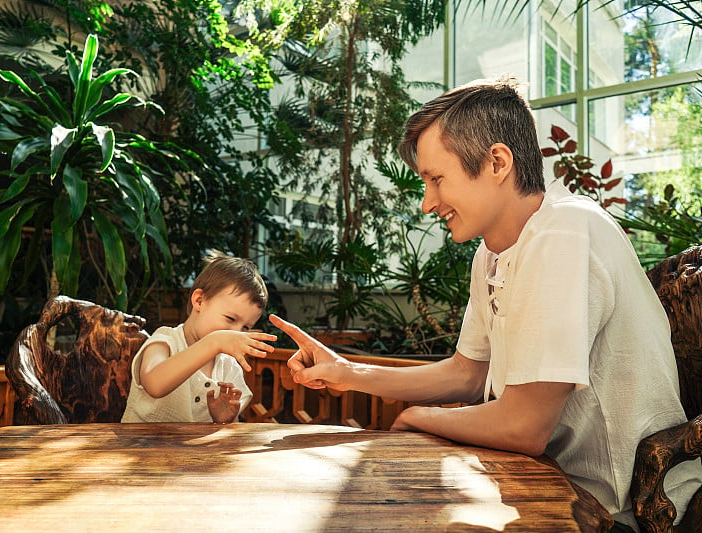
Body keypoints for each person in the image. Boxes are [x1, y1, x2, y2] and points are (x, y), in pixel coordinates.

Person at [268, 77, 701, 530]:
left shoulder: (566, 230)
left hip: (622, 509)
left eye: (436, 179)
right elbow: (467, 373)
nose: (426, 203)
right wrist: (347, 372)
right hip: (547, 485)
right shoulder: (491, 253)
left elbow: (524, 426)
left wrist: (421, 417)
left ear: (497, 162)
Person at [122, 251, 276, 424]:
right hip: (139, 447)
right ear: (199, 301)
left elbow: (230, 432)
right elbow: (154, 384)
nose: (236, 331)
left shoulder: (229, 367)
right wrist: (214, 342)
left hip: (192, 451)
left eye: (246, 327)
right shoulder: (166, 340)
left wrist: (225, 419)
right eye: (230, 319)